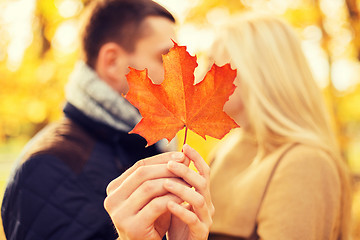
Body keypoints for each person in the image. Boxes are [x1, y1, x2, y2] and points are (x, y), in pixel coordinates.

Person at [1, 0, 212, 239]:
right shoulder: (46, 169)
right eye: (164, 57)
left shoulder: (149, 149)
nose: (177, 75)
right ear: (112, 62)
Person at [207, 13, 352, 240]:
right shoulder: (226, 150)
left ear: (256, 71)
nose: (201, 75)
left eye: (213, 63)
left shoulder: (305, 163)